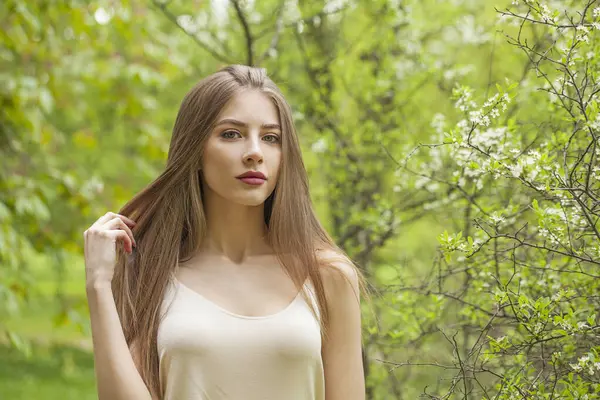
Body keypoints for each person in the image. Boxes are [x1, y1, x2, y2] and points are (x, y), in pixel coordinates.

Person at [83, 65, 368, 400]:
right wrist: (98, 283)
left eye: (270, 138)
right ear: (196, 151)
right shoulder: (148, 270)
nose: (254, 152)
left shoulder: (328, 276)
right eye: (231, 134)